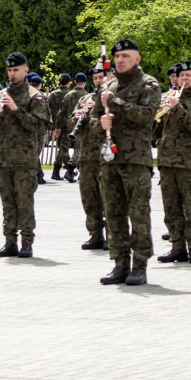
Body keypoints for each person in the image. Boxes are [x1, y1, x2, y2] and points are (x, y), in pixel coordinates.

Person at [96, 39, 162, 286]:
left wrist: (116, 103)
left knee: (138, 214)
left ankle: (140, 265)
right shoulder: (109, 85)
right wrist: (99, 124)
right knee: (113, 214)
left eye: (125, 55)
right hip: (110, 160)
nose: (120, 60)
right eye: (117, 56)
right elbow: (94, 121)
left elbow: (147, 116)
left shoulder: (148, 84)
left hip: (135, 161)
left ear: (137, 59)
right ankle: (120, 264)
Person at [0, 52, 52, 258]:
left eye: (16, 70)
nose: (12, 74)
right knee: (7, 203)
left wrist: (16, 109)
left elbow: (38, 127)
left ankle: (26, 242)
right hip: (2, 159)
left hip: (24, 160)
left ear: (26, 70)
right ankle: (9, 242)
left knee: (25, 202)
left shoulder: (36, 96)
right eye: (9, 70)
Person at [155, 60, 191, 264]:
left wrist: (177, 108)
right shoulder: (168, 99)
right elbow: (157, 132)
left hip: (189, 162)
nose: (184, 79)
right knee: (171, 209)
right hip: (167, 161)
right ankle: (177, 246)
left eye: (189, 75)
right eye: (181, 76)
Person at [75, 65, 109, 250]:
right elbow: (72, 126)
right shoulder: (84, 99)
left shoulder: (113, 98)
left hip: (106, 155)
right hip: (87, 156)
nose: (98, 81)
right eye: (95, 78)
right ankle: (95, 234)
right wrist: (79, 115)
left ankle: (112, 235)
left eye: (101, 77)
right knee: (89, 197)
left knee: (108, 198)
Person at [57, 72, 88, 183]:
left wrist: (57, 127)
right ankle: (70, 170)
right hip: (81, 126)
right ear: (85, 83)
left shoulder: (69, 94)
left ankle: (69, 170)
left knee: (64, 148)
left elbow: (61, 112)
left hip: (68, 125)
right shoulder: (87, 96)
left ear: (75, 81)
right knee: (79, 150)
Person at [49, 73, 72, 180]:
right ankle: (57, 170)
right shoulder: (70, 94)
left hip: (56, 124)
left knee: (63, 147)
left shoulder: (53, 94)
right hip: (68, 125)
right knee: (63, 148)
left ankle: (69, 168)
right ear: (69, 83)